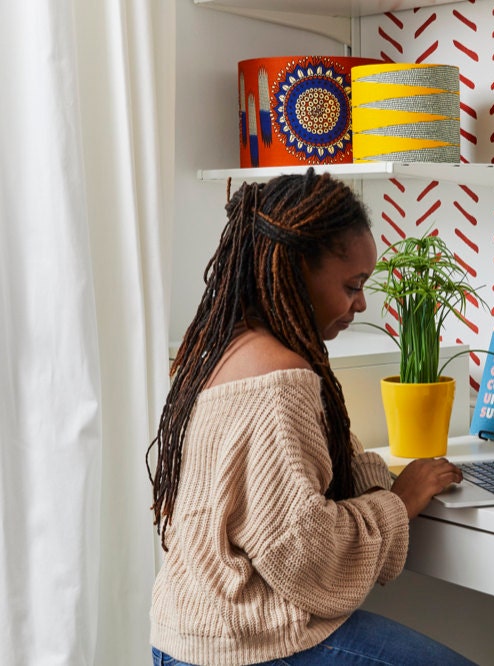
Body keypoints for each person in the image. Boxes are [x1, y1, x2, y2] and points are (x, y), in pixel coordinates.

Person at [146, 169, 471, 666]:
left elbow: (305, 474)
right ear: (296, 270)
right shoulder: (280, 379)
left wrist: (375, 481)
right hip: (246, 645)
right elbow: (306, 555)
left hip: (191, 636)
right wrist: (399, 503)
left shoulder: (228, 348)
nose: (361, 303)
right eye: (352, 285)